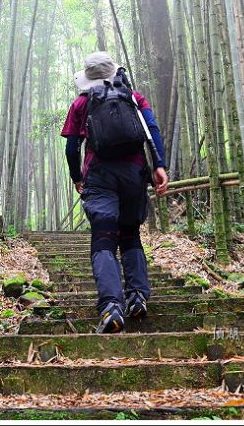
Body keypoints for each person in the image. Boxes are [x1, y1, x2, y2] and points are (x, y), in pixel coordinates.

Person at [61, 52, 169, 334]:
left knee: (104, 238)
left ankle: (111, 306)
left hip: (99, 175)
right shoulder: (133, 97)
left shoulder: (81, 103)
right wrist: (159, 166)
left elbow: (72, 148)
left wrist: (77, 178)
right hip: (134, 173)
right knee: (130, 233)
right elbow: (152, 131)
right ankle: (138, 296)